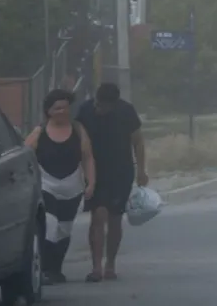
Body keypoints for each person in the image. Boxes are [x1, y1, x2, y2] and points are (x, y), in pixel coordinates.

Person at [76, 82, 148, 282]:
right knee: (98, 216)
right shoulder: (85, 110)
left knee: (115, 219)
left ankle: (110, 264)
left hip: (121, 171)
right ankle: (96, 266)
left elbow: (138, 141)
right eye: (97, 104)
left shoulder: (126, 111)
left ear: (114, 104)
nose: (99, 109)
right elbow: (78, 139)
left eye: (103, 107)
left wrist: (142, 170)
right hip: (95, 172)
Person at [24, 89, 96, 285]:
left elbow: (87, 157)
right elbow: (25, 157)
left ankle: (56, 269)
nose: (62, 111)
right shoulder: (39, 131)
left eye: (65, 107)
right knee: (50, 225)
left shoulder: (79, 130)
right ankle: (44, 269)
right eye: (57, 108)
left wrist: (91, 182)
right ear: (48, 111)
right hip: (46, 185)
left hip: (72, 187)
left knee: (64, 230)